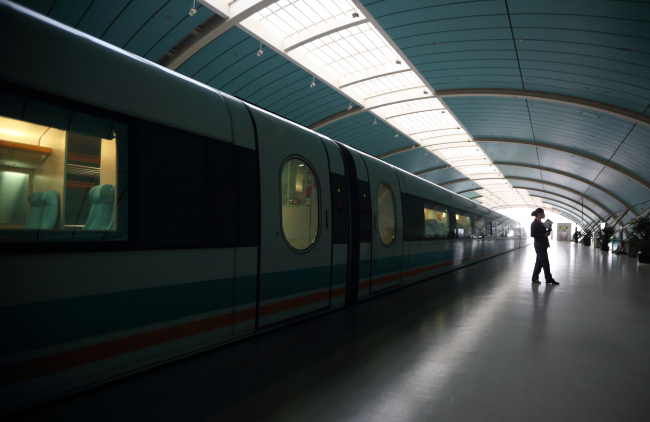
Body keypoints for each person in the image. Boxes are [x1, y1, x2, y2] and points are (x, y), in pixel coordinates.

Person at [530, 208, 559, 285]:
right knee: (545, 263)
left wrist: (549, 229)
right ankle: (549, 279)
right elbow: (533, 234)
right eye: (543, 213)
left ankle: (534, 278)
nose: (544, 214)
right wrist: (543, 235)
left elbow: (546, 233)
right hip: (539, 246)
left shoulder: (541, 223)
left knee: (539, 262)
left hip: (543, 245)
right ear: (539, 214)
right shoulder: (534, 223)